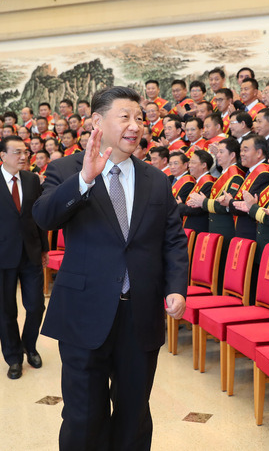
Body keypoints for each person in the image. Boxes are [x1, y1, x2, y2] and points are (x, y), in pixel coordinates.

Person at [32, 86, 188, 450]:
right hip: (84, 312)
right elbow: (44, 217)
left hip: (140, 315)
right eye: (125, 117)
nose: (135, 126)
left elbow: (173, 240)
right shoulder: (66, 169)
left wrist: (176, 287)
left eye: (139, 118)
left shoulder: (156, 179)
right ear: (97, 123)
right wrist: (86, 179)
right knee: (83, 414)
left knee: (135, 413)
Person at [0, 136, 49, 380]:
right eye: (17, 152)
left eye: (25, 151)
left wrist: (44, 248)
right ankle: (13, 357)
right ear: (2, 156)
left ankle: (29, 345)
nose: (24, 156)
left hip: (31, 252)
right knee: (6, 310)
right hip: (1, 255)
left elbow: (37, 216)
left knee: (36, 305)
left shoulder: (32, 178)